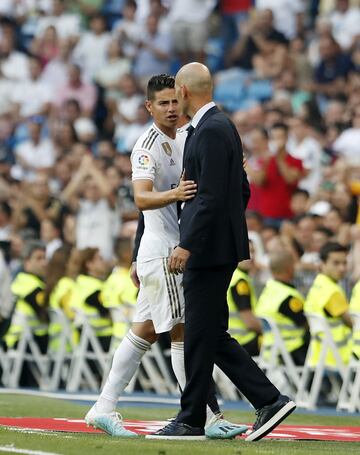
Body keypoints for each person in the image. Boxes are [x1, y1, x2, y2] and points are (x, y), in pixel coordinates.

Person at [85, 74, 247, 439]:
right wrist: (175, 194)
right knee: (184, 331)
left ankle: (104, 407)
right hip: (164, 252)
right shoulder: (147, 145)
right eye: (163, 103)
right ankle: (207, 416)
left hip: (165, 248)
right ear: (149, 107)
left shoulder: (191, 136)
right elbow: (141, 200)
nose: (172, 109)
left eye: (175, 101)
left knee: (143, 331)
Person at [150, 63, 295, 441]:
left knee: (200, 332)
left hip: (208, 249)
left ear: (182, 90)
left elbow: (212, 198)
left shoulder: (210, 130)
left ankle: (194, 418)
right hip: (218, 245)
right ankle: (266, 401)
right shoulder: (219, 127)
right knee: (209, 333)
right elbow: (240, 191)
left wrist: (187, 243)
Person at [255, 250, 309, 366]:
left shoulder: (268, 291)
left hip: (270, 350)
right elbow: (307, 323)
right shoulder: (288, 297)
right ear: (288, 268)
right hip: (291, 351)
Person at [304, 242, 352, 367]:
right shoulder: (332, 292)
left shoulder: (318, 284)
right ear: (322, 264)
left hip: (320, 354)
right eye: (336, 263)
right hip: (339, 356)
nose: (342, 268)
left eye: (344, 263)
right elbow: (354, 324)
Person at [227, 240, 262, 357]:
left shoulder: (232, 275)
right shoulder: (240, 282)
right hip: (244, 340)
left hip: (232, 339)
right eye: (247, 252)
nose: (251, 256)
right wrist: (269, 332)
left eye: (253, 252)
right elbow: (250, 322)